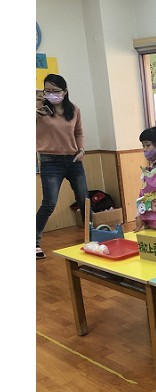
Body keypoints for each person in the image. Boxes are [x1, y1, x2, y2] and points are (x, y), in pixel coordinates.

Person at [36, 74, 89, 260]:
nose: (51, 94)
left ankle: (91, 237)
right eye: (47, 90)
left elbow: (78, 132)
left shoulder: (74, 109)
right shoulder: (38, 108)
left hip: (74, 160)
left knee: (84, 200)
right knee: (49, 203)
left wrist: (81, 150)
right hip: (50, 161)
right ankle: (33, 242)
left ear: (64, 92)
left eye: (55, 91)